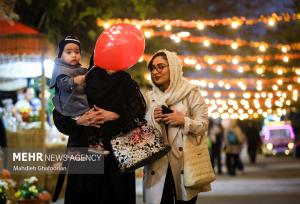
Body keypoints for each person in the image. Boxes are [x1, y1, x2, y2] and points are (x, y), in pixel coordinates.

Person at [52, 51, 146, 204]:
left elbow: (139, 116)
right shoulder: (81, 81)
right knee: (85, 197)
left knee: (116, 196)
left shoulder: (127, 83)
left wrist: (115, 115)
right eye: (106, 58)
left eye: (114, 58)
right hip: (85, 155)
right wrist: (79, 121)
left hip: (118, 157)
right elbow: (60, 116)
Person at [143, 50, 210, 204]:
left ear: (173, 67)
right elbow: (140, 129)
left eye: (161, 67)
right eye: (152, 68)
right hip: (157, 165)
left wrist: (183, 120)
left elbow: (204, 124)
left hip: (184, 163)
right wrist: (151, 118)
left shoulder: (191, 93)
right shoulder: (148, 97)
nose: (156, 71)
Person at [50, 36, 108, 154]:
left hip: (80, 103)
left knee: (88, 120)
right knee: (86, 120)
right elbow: (63, 83)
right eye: (69, 52)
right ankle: (93, 144)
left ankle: (93, 144)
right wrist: (75, 81)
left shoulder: (80, 69)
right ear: (61, 54)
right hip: (70, 105)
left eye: (77, 52)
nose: (74, 55)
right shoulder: (61, 69)